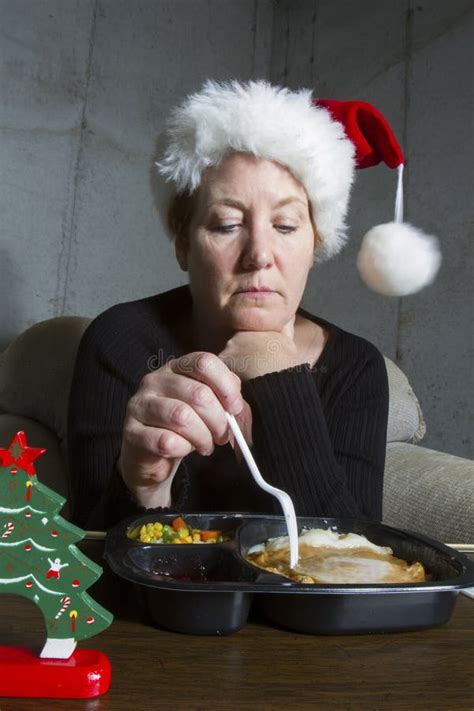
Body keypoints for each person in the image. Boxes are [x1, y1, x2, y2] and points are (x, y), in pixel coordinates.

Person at [67, 80, 440, 530]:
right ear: (183, 242)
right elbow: (91, 563)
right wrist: (144, 486)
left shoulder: (354, 367)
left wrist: (277, 372)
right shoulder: (122, 338)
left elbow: (351, 567)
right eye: (226, 224)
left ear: (316, 242)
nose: (259, 254)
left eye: (285, 226)